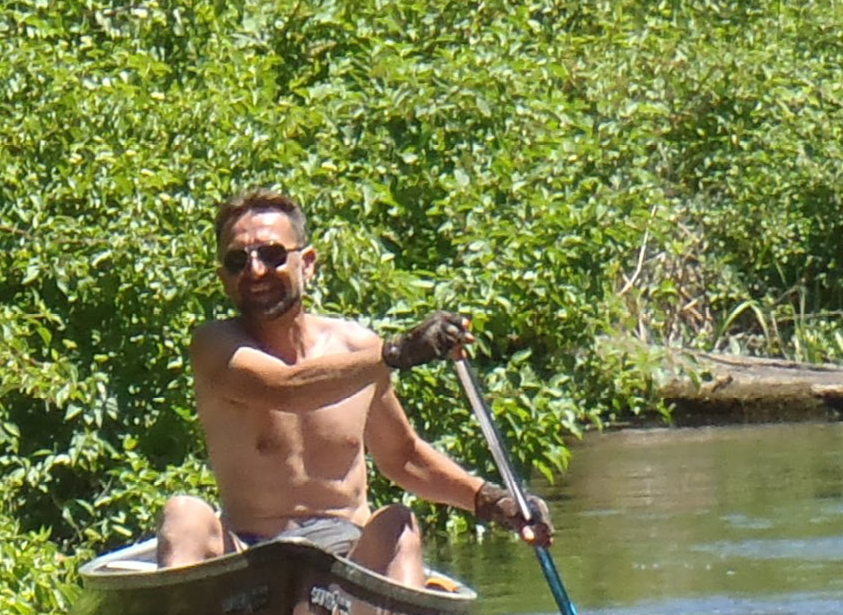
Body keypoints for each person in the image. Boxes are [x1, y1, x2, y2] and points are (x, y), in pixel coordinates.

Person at [156, 189, 552, 587]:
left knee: (400, 524)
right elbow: (287, 389)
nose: (256, 271)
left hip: (345, 552)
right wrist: (397, 352)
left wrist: (491, 500)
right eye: (238, 261)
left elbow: (403, 456)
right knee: (184, 514)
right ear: (224, 277)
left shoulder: (357, 349)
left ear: (306, 264)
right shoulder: (214, 346)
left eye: (273, 255)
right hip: (248, 551)